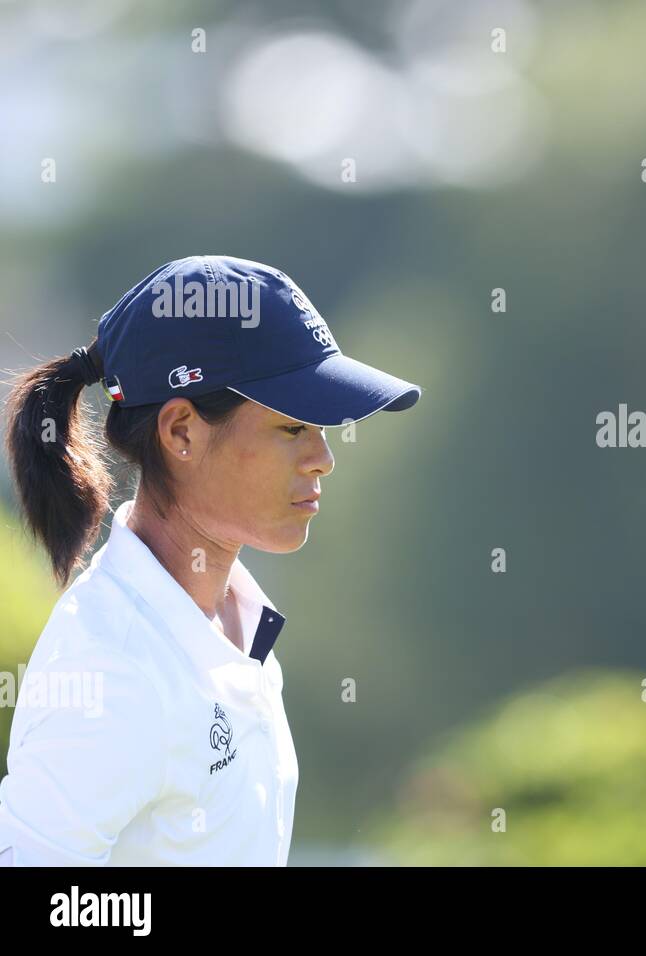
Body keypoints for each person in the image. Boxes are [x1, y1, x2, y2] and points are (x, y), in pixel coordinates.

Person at [0, 255, 420, 865]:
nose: (323, 458)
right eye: (292, 427)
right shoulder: (109, 670)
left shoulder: (238, 620)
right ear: (181, 434)